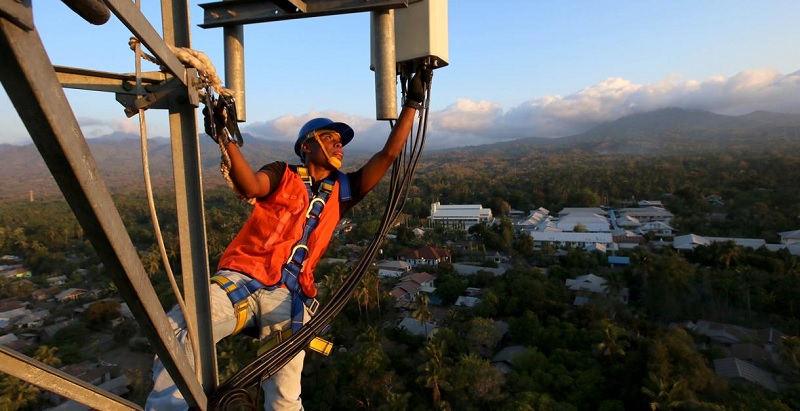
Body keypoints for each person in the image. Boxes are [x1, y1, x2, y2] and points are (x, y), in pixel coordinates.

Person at [145, 67, 431, 411]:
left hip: (288, 296)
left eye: (340, 141)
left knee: (285, 394)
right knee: (179, 329)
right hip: (241, 279)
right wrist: (226, 139)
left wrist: (412, 103)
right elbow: (251, 185)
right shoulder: (282, 174)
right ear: (306, 146)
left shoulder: (344, 190)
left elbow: (387, 155)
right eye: (330, 138)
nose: (338, 144)